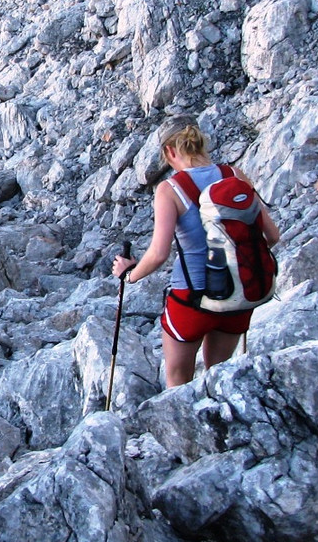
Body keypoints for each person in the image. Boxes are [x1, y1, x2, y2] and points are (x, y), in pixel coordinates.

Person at [112, 123, 280, 389]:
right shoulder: (235, 175)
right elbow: (271, 236)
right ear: (202, 145)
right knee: (220, 377)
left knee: (178, 382)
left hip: (191, 298)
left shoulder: (170, 189)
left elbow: (158, 254)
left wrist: (129, 275)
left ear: (169, 152)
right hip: (238, 295)